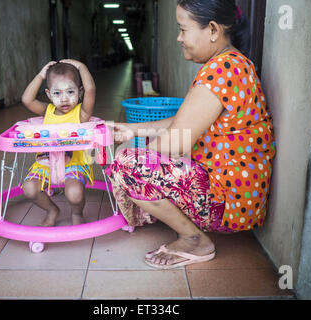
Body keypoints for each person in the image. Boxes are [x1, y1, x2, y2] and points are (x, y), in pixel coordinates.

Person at [106, 0, 276, 269]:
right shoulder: (231, 64)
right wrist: (132, 130)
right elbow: (183, 120)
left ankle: (194, 239)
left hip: (228, 200)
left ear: (212, 30)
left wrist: (130, 168)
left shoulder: (223, 70)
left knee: (127, 164)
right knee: (132, 163)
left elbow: (176, 142)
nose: (179, 38)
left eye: (183, 30)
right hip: (238, 195)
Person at [21, 59, 96, 227]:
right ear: (48, 94)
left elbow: (91, 89)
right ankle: (52, 210)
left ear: (80, 92)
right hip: (45, 163)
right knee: (29, 189)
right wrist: (41, 75)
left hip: (74, 164)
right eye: (57, 93)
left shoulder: (81, 114)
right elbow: (26, 99)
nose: (64, 99)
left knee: (74, 193)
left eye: (70, 92)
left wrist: (81, 67)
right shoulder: (47, 110)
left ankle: (77, 212)